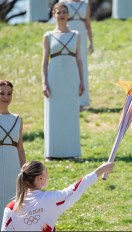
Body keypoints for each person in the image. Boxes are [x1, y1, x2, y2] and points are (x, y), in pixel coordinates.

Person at [1, 160, 114, 231]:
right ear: (40, 178)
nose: (48, 175)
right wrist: (101, 170)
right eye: (46, 172)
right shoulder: (51, 200)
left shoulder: (10, 208)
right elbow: (76, 188)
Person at [42, 3, 84, 159]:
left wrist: (82, 81)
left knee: (70, 113)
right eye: (58, 12)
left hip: (71, 77)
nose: (61, 15)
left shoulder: (76, 34)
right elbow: (45, 62)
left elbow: (79, 60)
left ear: (68, 14)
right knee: (54, 113)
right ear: (53, 14)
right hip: (54, 78)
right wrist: (44, 82)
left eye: (64, 12)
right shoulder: (48, 36)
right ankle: (53, 152)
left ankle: (71, 151)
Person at [59, 0, 94, 111]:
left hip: (81, 38)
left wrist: (91, 42)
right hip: (67, 36)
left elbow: (88, 24)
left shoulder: (85, 4)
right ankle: (67, 99)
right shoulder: (63, 2)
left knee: (82, 66)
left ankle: (82, 101)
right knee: (69, 66)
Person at [0, 80, 26, 222]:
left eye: (9, 93)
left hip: (13, 170)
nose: (6, 97)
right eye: (2, 93)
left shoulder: (17, 119)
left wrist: (24, 172)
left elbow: (20, 148)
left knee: (13, 206)